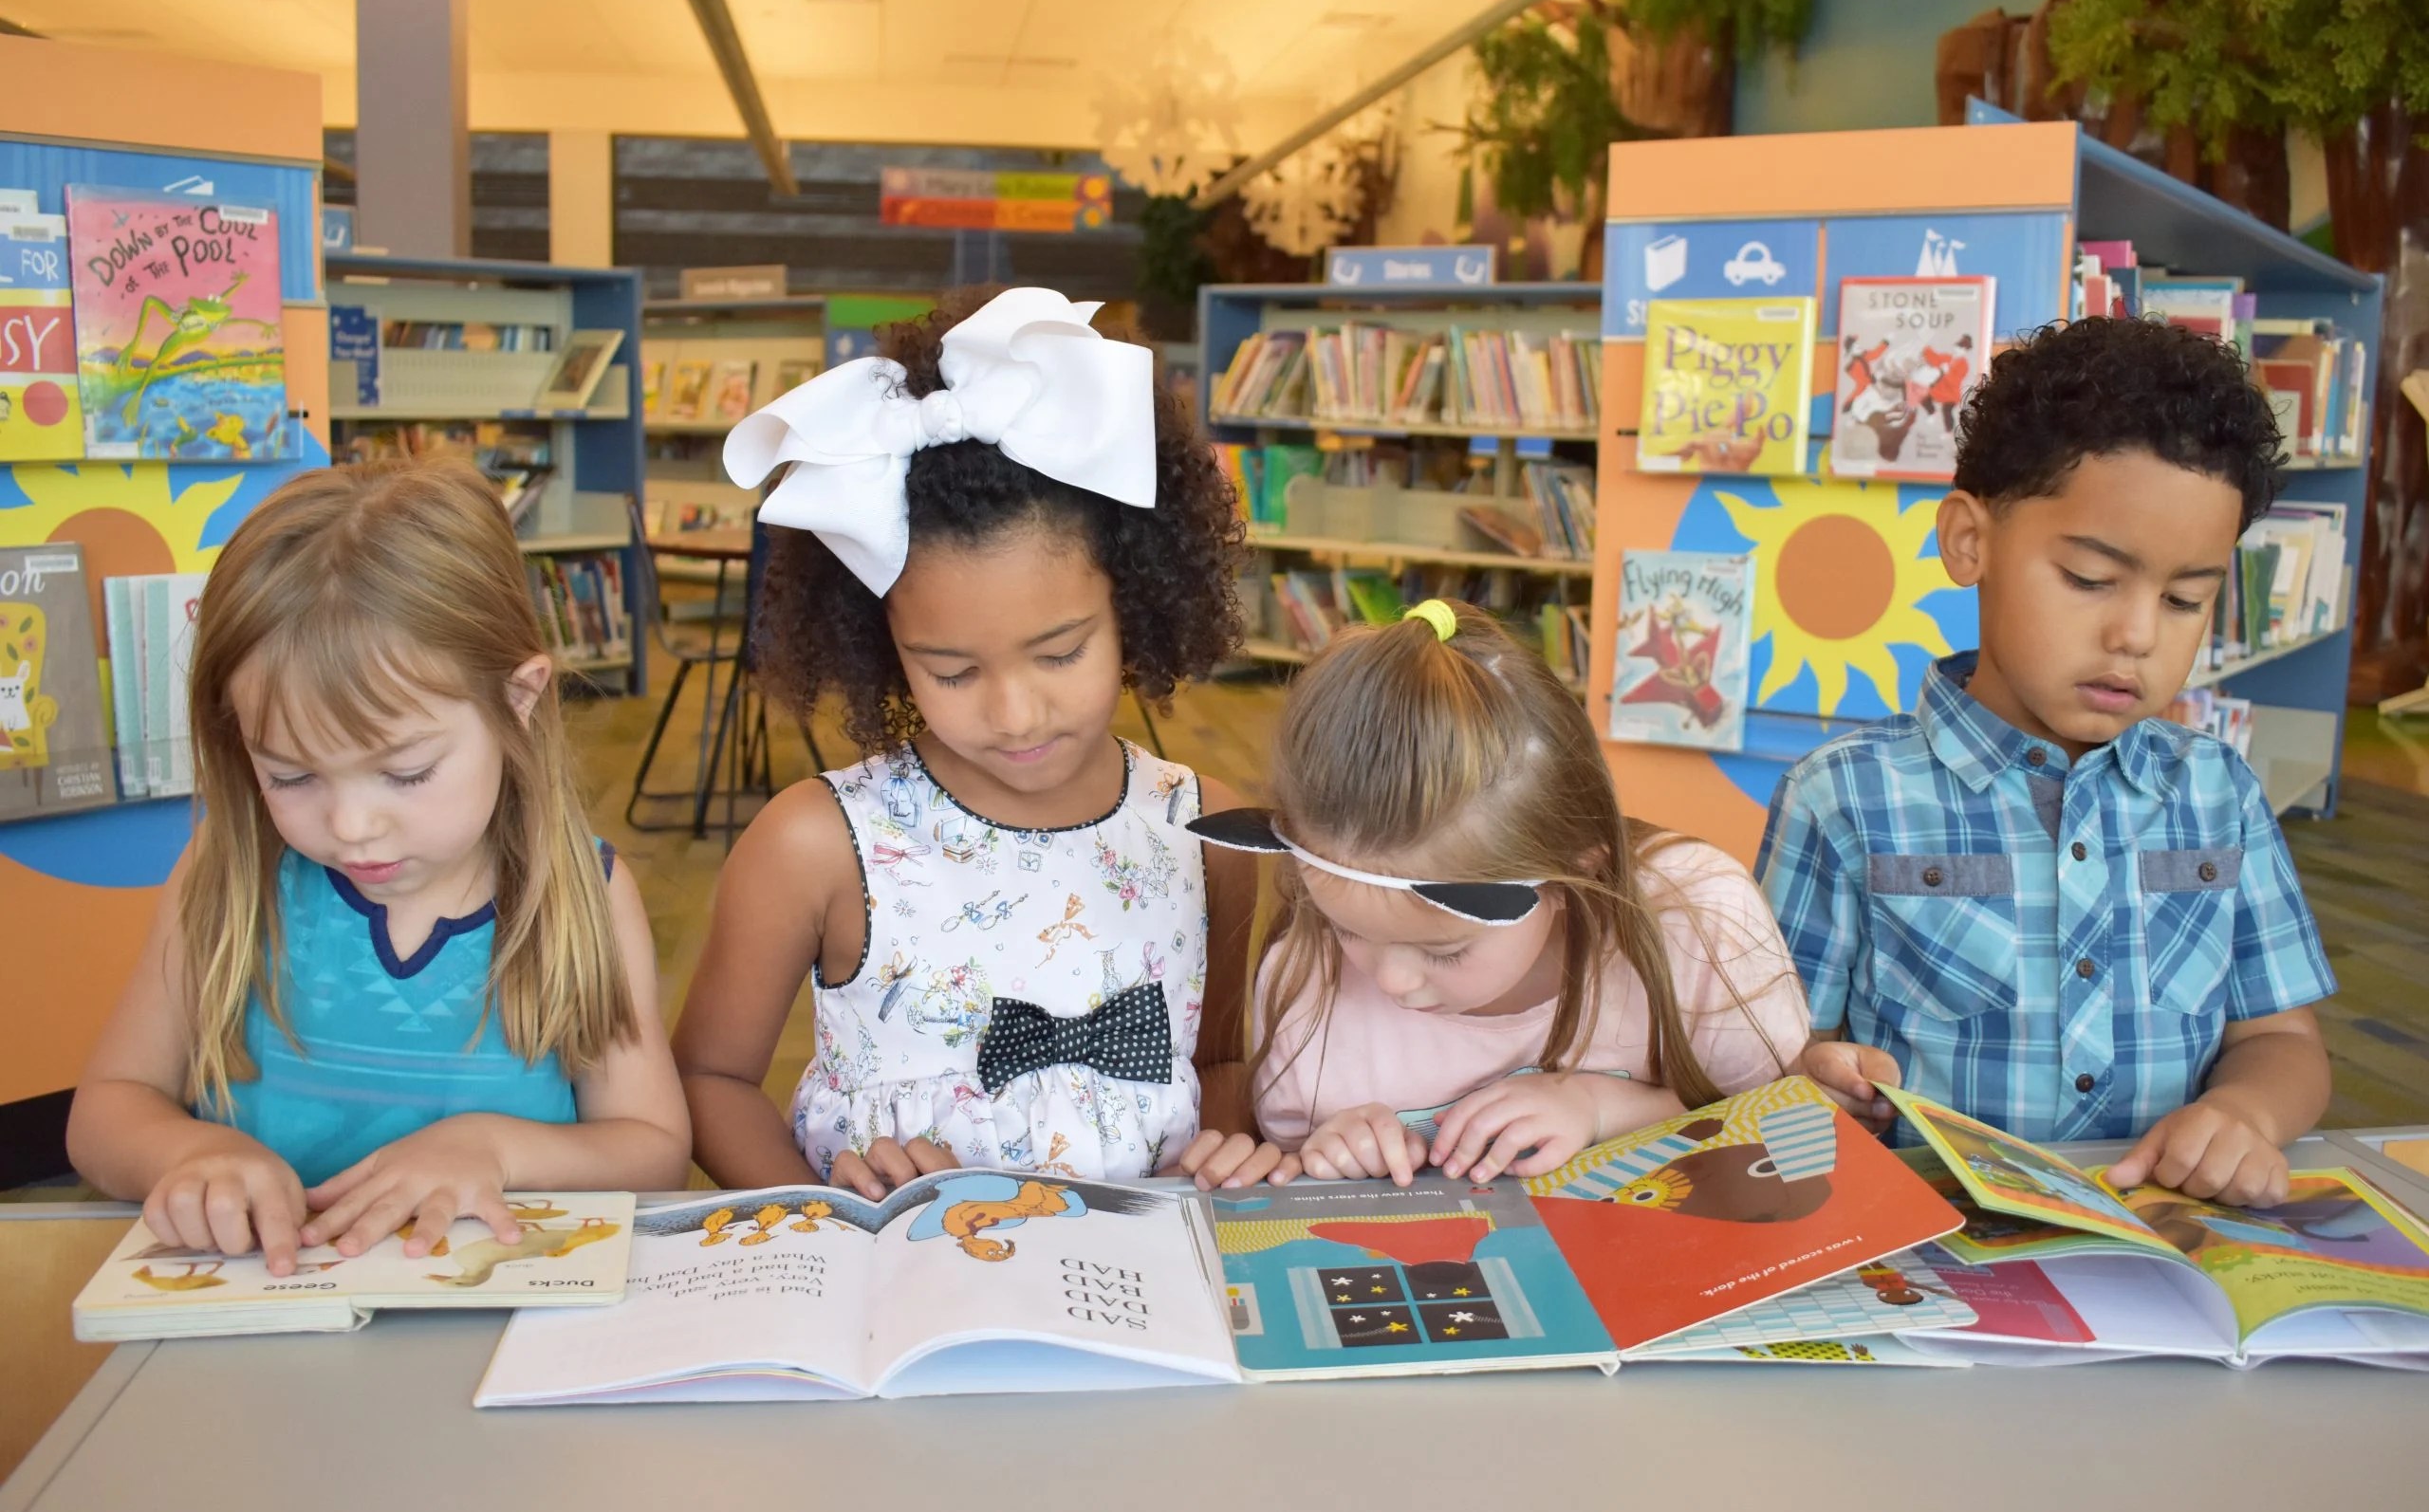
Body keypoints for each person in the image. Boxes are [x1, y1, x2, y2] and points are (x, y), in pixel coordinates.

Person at [673, 287, 1258, 1199]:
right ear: (880, 644)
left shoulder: (1208, 834)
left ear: (1137, 604)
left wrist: (1216, 1154)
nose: (1015, 714)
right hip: (890, 1272)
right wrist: (833, 1211)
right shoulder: (816, 845)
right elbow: (708, 1078)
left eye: (1060, 653)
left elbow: (1219, 1060)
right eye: (951, 671)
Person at [1758, 315, 2335, 1207]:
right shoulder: (1841, 797)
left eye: (2185, 600)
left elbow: (2284, 1041)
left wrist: (2243, 1113)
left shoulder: (2219, 793)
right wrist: (1811, 1083)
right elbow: (1772, 1057)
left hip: (2159, 1235)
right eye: (2090, 580)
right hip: (1935, 1237)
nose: (2136, 634)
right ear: (1970, 541)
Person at [68, 461, 689, 1276]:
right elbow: (106, 1109)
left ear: (519, 698)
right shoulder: (225, 873)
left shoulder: (587, 896)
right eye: (291, 775)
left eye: (405, 772)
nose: (352, 827)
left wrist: (494, 1148)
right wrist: (188, 1153)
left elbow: (654, 1150)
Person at [1186, 600, 1809, 1188]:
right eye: (1345, 927)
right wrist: (1328, 1150)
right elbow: (1291, 1164)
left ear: (1572, 877)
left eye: (1446, 950)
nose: (1394, 980)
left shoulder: (1698, 924)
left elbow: (1785, 1117)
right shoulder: (1305, 987)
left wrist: (1603, 1108)